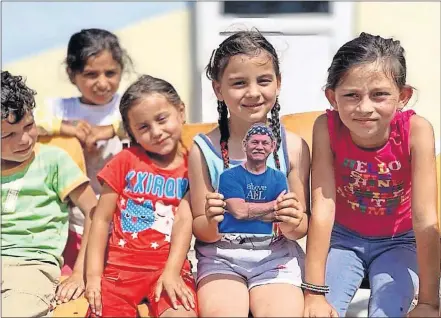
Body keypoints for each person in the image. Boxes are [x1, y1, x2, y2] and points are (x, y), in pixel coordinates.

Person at [303, 32, 440, 318]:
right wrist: (313, 293)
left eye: (379, 95)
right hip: (343, 240)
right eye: (351, 95)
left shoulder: (417, 132)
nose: (365, 108)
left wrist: (428, 302)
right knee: (322, 312)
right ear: (332, 97)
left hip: (399, 241)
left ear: (403, 96)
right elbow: (324, 207)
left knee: (387, 311)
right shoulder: (325, 128)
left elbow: (425, 218)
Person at [188, 30, 310, 317]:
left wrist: (293, 219)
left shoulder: (293, 147)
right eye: (239, 83)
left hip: (276, 256)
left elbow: (300, 227)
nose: (253, 92)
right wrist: (212, 218)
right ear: (219, 89)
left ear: (278, 83)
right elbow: (200, 229)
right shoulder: (203, 149)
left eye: (264, 80)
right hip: (221, 260)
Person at [85, 75, 197, 318]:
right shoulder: (125, 161)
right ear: (132, 133)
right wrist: (93, 277)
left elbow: (184, 221)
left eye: (162, 119)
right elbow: (101, 220)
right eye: (143, 127)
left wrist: (171, 272)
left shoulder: (194, 166)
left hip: (170, 270)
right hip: (118, 273)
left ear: (180, 111)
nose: (156, 132)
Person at [35, 28, 131, 275]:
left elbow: (155, 122)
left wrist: (108, 130)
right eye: (90, 74)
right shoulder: (58, 108)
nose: (102, 83)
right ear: (72, 74)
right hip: (70, 220)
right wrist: (67, 129)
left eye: (110, 73)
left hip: (122, 218)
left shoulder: (128, 105)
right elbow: (31, 123)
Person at [1, 71, 97, 317]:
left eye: (29, 126)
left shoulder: (53, 160)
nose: (24, 139)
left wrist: (80, 273)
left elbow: (95, 213)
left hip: (30, 266)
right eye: (7, 135)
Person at [218, 123, 288, 236]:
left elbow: (282, 215)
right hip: (230, 242)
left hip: (268, 244)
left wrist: (249, 211)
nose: (259, 147)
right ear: (245, 145)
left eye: (265, 143)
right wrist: (274, 205)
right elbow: (239, 212)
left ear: (273, 146)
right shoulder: (229, 176)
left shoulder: (279, 178)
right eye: (254, 142)